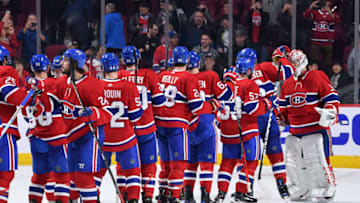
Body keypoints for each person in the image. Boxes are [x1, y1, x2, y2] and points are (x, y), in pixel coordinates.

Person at [34, 48, 112, 203]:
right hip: (71, 137)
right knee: (74, 176)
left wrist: (91, 112)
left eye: (66, 60)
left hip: (89, 135)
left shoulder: (92, 85)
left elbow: (108, 112)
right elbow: (51, 104)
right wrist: (39, 93)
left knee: (83, 176)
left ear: (75, 63)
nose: (62, 63)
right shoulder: (62, 82)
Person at [155, 46, 221, 202]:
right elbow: (198, 106)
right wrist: (213, 105)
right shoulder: (194, 77)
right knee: (181, 164)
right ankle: (175, 196)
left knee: (166, 164)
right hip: (181, 125)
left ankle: (163, 194)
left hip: (161, 125)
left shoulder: (162, 75)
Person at [279, 50, 339, 201]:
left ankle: (324, 186)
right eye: (291, 63)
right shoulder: (287, 84)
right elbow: (284, 109)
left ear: (303, 61)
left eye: (296, 62)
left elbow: (331, 97)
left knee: (317, 160)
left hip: (315, 128)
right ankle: (300, 188)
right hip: (295, 131)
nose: (294, 66)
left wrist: (330, 111)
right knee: (294, 163)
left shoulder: (317, 76)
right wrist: (280, 118)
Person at [216, 57, 268, 203]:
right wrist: (267, 104)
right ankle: (241, 192)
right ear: (250, 70)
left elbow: (218, 112)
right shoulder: (251, 84)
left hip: (228, 132)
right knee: (250, 162)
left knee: (227, 162)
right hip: (247, 131)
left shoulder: (226, 86)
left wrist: (223, 126)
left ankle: (221, 193)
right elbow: (252, 108)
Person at [118, 46, 166, 202]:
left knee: (124, 165)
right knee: (149, 164)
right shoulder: (149, 75)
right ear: (138, 59)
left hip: (125, 130)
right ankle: (148, 196)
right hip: (146, 126)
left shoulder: (118, 75)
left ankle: (125, 194)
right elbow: (159, 101)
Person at [93, 52, 143, 202]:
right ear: (118, 66)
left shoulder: (95, 86)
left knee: (96, 174)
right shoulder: (129, 86)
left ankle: (92, 198)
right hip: (125, 137)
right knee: (132, 172)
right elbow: (135, 116)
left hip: (103, 139)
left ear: (103, 68)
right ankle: (133, 199)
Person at [242, 47, 292, 198]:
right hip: (254, 118)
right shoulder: (249, 72)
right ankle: (246, 186)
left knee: (274, 152)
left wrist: (280, 59)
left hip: (264, 117)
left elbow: (287, 73)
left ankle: (280, 184)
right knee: (253, 156)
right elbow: (287, 71)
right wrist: (281, 58)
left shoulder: (262, 68)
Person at [183, 52, 232, 203]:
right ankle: (205, 196)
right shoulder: (210, 76)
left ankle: (188, 195)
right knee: (207, 164)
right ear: (199, 64)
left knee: (190, 164)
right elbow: (227, 95)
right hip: (205, 125)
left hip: (187, 126)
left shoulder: (181, 79)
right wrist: (229, 79)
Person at [24, 54, 70, 203]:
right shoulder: (55, 83)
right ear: (48, 68)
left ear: (31, 68)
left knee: (39, 177)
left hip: (36, 137)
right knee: (62, 176)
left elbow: (26, 114)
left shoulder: (26, 89)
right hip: (56, 136)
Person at [0, 45, 44, 203]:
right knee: (5, 175)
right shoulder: (7, 71)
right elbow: (7, 91)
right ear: (5, 60)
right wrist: (30, 96)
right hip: (4, 130)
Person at [303, 0, 340, 75]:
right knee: (315, 61)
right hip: (315, 41)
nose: (326, 6)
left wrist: (330, 12)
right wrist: (311, 7)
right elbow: (305, 16)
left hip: (328, 42)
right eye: (325, 4)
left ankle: (327, 77)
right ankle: (315, 76)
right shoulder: (315, 13)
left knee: (327, 63)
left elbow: (337, 21)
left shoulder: (333, 13)